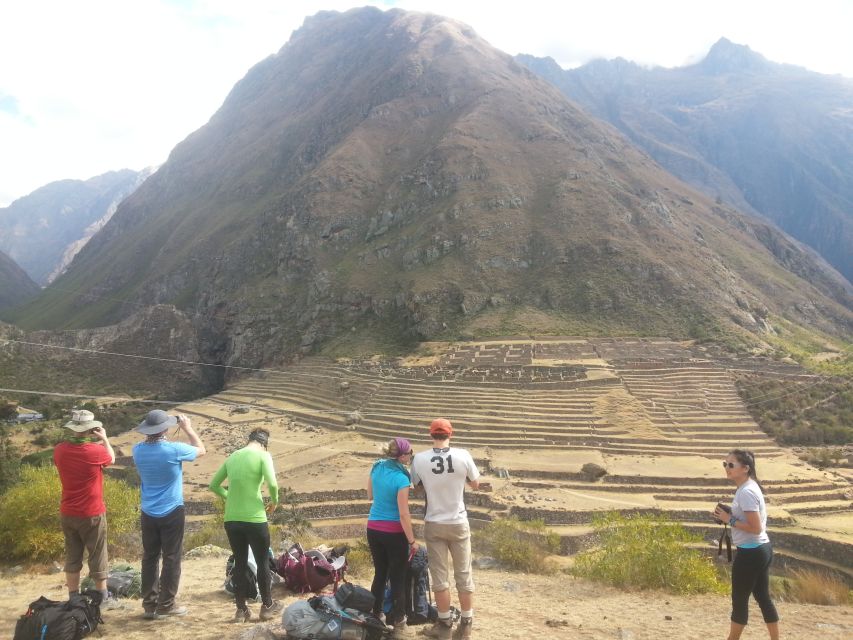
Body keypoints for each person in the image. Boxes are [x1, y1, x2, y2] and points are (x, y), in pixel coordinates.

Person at [410, 419, 481, 640]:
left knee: (440, 579)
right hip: (458, 522)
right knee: (464, 575)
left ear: (431, 435)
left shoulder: (420, 459)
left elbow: (418, 488)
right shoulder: (464, 455)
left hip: (434, 523)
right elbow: (475, 484)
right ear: (451, 434)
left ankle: (444, 625)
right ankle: (466, 625)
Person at [133, 409, 206, 619]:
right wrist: (188, 428)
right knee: (171, 557)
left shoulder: (137, 450)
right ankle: (166, 605)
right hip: (172, 510)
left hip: (148, 511)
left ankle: (149, 605)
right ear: (165, 428)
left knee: (149, 557)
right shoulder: (173, 450)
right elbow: (201, 450)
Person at [209, 427, 281, 622]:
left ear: (249, 440)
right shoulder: (263, 455)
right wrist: (274, 502)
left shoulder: (233, 456)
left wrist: (229, 497)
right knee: (262, 562)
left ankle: (241, 611)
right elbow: (273, 484)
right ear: (265, 443)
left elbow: (213, 485)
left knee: (240, 563)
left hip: (232, 519)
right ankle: (267, 606)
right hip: (255, 518)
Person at [713, 450, 780, 640]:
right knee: (763, 597)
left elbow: (756, 527)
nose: (727, 468)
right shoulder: (749, 487)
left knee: (740, 600)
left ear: (745, 468)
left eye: (731, 465)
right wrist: (729, 515)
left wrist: (730, 519)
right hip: (761, 549)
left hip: (751, 552)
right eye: (725, 464)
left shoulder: (747, 492)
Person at [53, 409, 116, 607]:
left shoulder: (60, 449)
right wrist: (104, 439)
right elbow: (111, 459)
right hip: (92, 512)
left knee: (72, 554)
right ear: (91, 429)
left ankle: (73, 596)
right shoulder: (95, 451)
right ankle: (102, 595)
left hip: (68, 511)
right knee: (97, 553)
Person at [366, 437, 417, 636]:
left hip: (373, 529)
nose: (411, 456)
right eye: (410, 453)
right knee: (398, 578)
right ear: (402, 456)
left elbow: (369, 495)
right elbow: (404, 514)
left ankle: (376, 615)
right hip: (394, 533)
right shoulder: (402, 479)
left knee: (380, 573)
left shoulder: (376, 466)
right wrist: (412, 541)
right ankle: (399, 623)